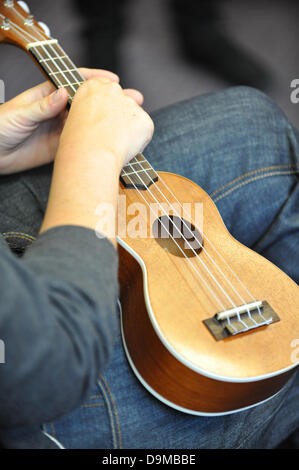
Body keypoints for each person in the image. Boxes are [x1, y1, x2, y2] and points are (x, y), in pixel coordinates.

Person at [0, 67, 298, 449]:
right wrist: (92, 153)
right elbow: (48, 366)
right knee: (273, 375)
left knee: (257, 124)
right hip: (38, 395)